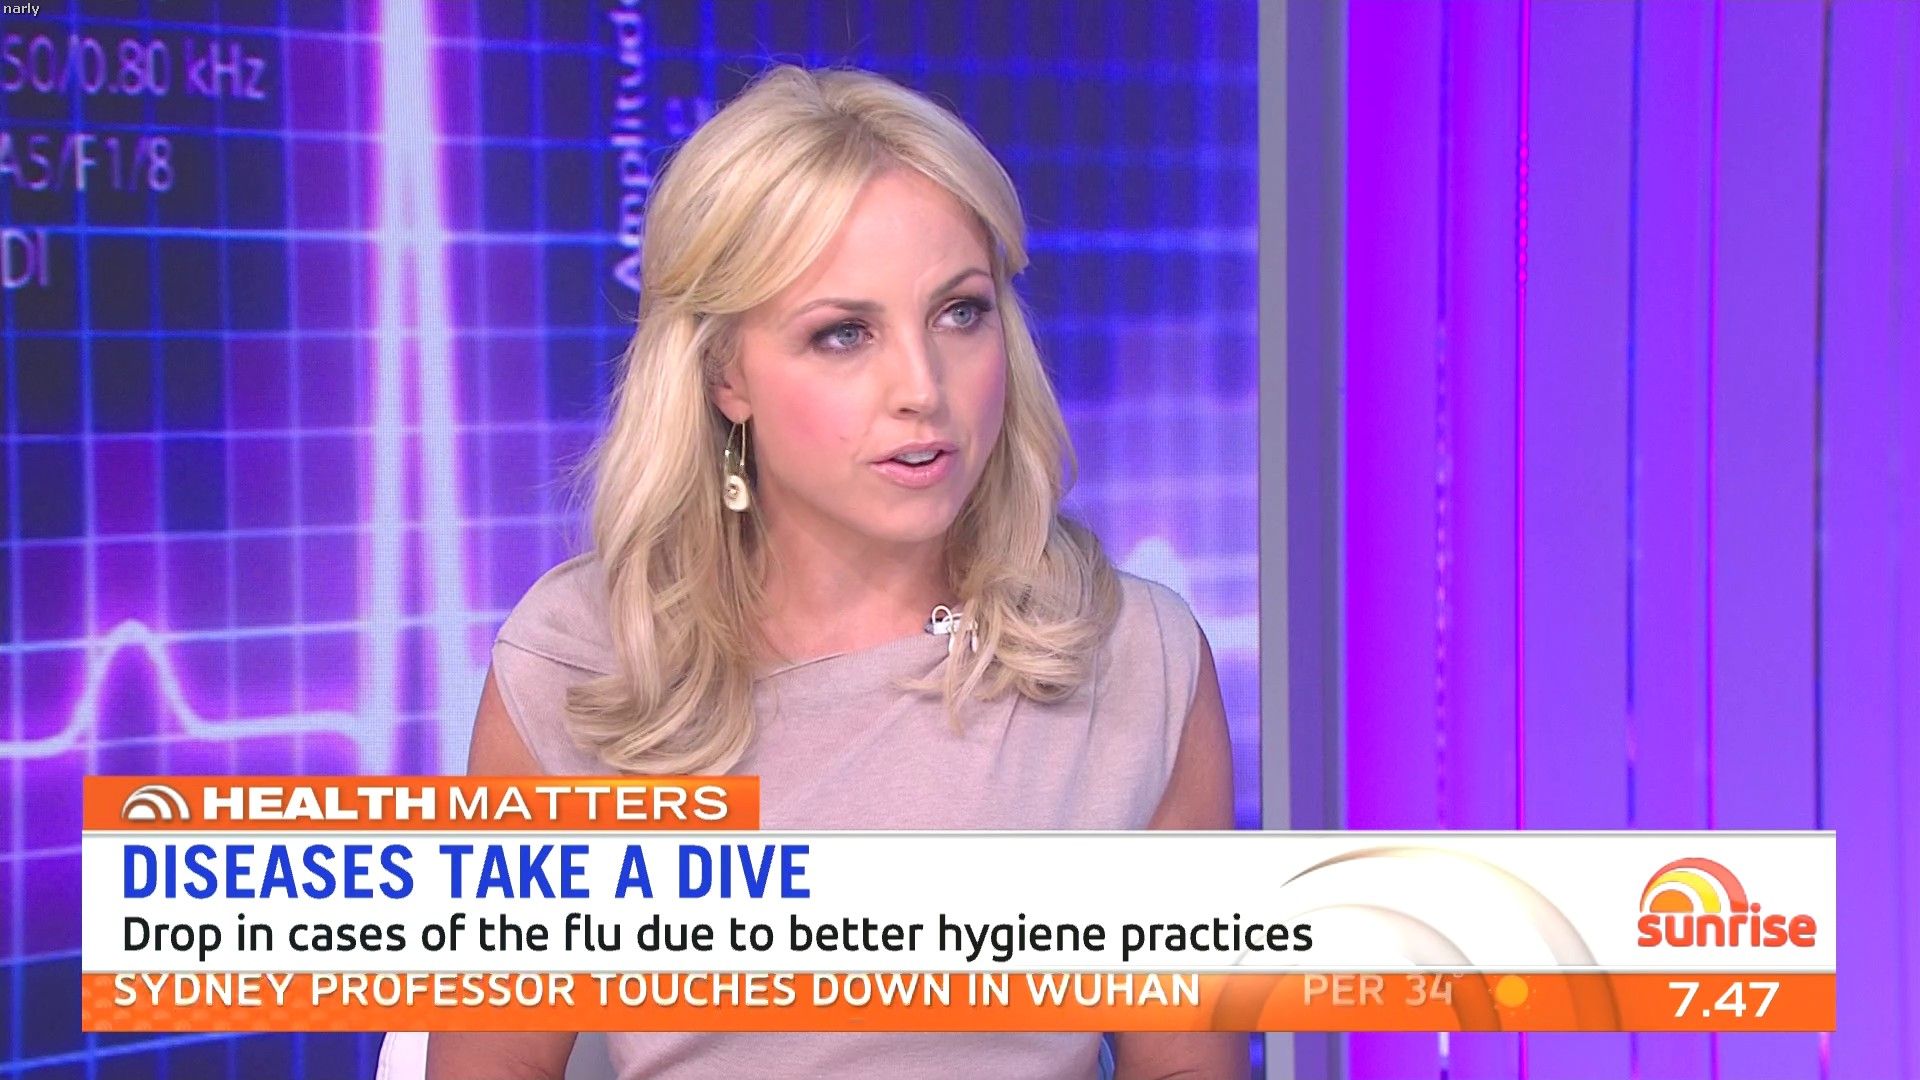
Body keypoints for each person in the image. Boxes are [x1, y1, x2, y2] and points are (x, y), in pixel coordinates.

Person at [427, 64, 1243, 1080]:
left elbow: (1187, 1064)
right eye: (843, 334)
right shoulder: (583, 661)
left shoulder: (1138, 657)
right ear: (725, 375)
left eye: (960, 313)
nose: (922, 388)